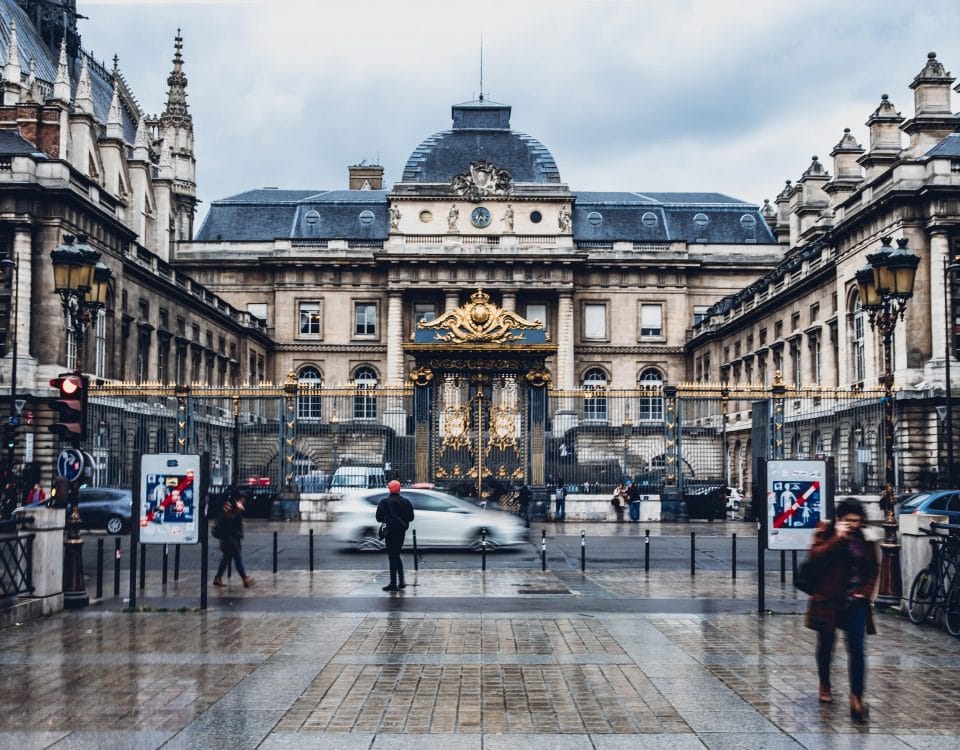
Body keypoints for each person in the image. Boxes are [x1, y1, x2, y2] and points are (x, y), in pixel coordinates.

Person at [804, 497, 878, 721]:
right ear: (840, 519)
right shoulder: (826, 533)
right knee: (826, 644)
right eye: (849, 520)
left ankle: (856, 697)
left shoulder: (865, 539)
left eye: (857, 520)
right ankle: (825, 684)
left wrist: (865, 592)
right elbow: (815, 557)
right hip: (828, 599)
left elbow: (873, 568)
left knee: (857, 647)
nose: (854, 525)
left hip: (855, 602)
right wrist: (838, 538)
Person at [376, 480, 415, 592]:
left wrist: (387, 518)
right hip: (401, 531)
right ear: (399, 489)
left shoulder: (384, 502)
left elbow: (378, 517)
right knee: (396, 555)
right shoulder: (406, 502)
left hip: (389, 531)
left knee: (392, 556)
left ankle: (393, 583)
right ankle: (401, 581)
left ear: (390, 489)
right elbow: (411, 517)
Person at [212, 494, 254, 588]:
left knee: (226, 558)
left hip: (230, 538)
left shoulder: (233, 508)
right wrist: (238, 513)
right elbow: (230, 520)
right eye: (242, 500)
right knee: (237, 557)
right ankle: (244, 578)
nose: (243, 502)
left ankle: (218, 578)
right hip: (230, 538)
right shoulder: (231, 508)